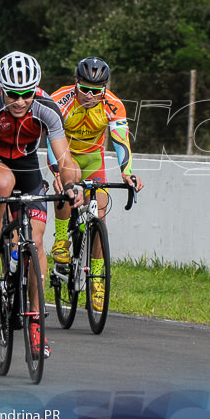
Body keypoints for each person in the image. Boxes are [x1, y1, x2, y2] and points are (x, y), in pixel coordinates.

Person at [0, 51, 82, 357]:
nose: (19, 102)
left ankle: (34, 322)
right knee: (3, 185)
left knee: (37, 242)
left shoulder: (47, 108)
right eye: (12, 95)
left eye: (26, 94)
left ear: (36, 90)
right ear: (1, 88)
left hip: (28, 167)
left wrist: (70, 184)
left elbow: (65, 158)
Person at [48, 56, 143, 313]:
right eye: (85, 89)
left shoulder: (113, 105)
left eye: (96, 91)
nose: (90, 95)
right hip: (65, 154)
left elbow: (121, 141)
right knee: (67, 188)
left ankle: (97, 279)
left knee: (100, 211)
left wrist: (127, 173)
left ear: (105, 89)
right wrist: (57, 170)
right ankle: (60, 241)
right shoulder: (59, 100)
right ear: (75, 82)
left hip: (93, 158)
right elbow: (50, 138)